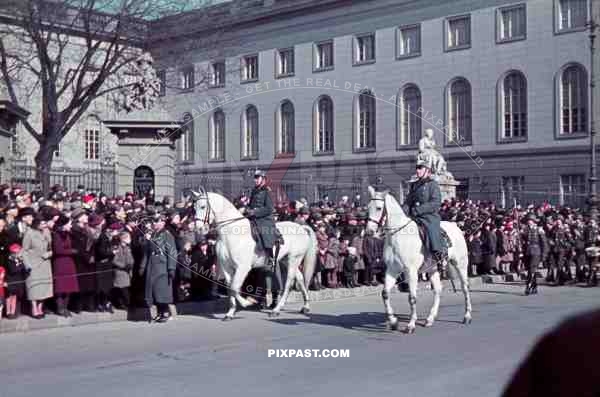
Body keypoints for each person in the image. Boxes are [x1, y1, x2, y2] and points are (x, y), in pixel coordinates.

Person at [245, 169, 282, 309]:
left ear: (263, 179)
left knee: (264, 231)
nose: (255, 179)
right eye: (254, 177)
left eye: (257, 177)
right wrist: (246, 209)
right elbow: (251, 204)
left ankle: (269, 255)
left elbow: (269, 208)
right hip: (254, 218)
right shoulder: (254, 191)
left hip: (265, 220)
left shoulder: (267, 191)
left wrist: (255, 212)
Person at [403, 157, 447, 274]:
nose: (417, 171)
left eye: (420, 168)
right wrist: (403, 212)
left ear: (427, 170)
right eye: (417, 168)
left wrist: (418, 210)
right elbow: (408, 201)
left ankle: (439, 255)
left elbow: (435, 203)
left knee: (431, 230)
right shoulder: (414, 185)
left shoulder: (433, 185)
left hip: (429, 216)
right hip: (414, 216)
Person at [139, 212, 177, 323]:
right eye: (153, 221)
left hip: (162, 264)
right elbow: (146, 252)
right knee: (153, 290)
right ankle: (160, 312)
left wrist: (171, 268)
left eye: (156, 221)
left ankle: (165, 312)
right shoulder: (152, 234)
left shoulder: (166, 235)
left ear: (163, 223)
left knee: (162, 290)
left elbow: (172, 252)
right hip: (152, 264)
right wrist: (142, 266)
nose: (154, 223)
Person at [22, 214, 53, 319]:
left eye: (45, 223)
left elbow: (51, 248)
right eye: (43, 223)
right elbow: (24, 251)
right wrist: (28, 265)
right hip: (34, 263)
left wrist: (49, 254)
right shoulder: (29, 233)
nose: (45, 225)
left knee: (44, 287)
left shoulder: (47, 232)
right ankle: (34, 308)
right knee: (34, 288)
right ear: (37, 224)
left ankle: (40, 307)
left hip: (45, 264)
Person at [522, 213, 544, 295]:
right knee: (531, 270)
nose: (529, 222)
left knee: (532, 269)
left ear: (534, 221)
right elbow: (523, 242)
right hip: (528, 252)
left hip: (536, 251)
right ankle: (534, 287)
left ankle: (528, 286)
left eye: (530, 220)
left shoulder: (539, 230)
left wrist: (544, 255)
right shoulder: (525, 230)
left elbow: (543, 243)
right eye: (528, 220)